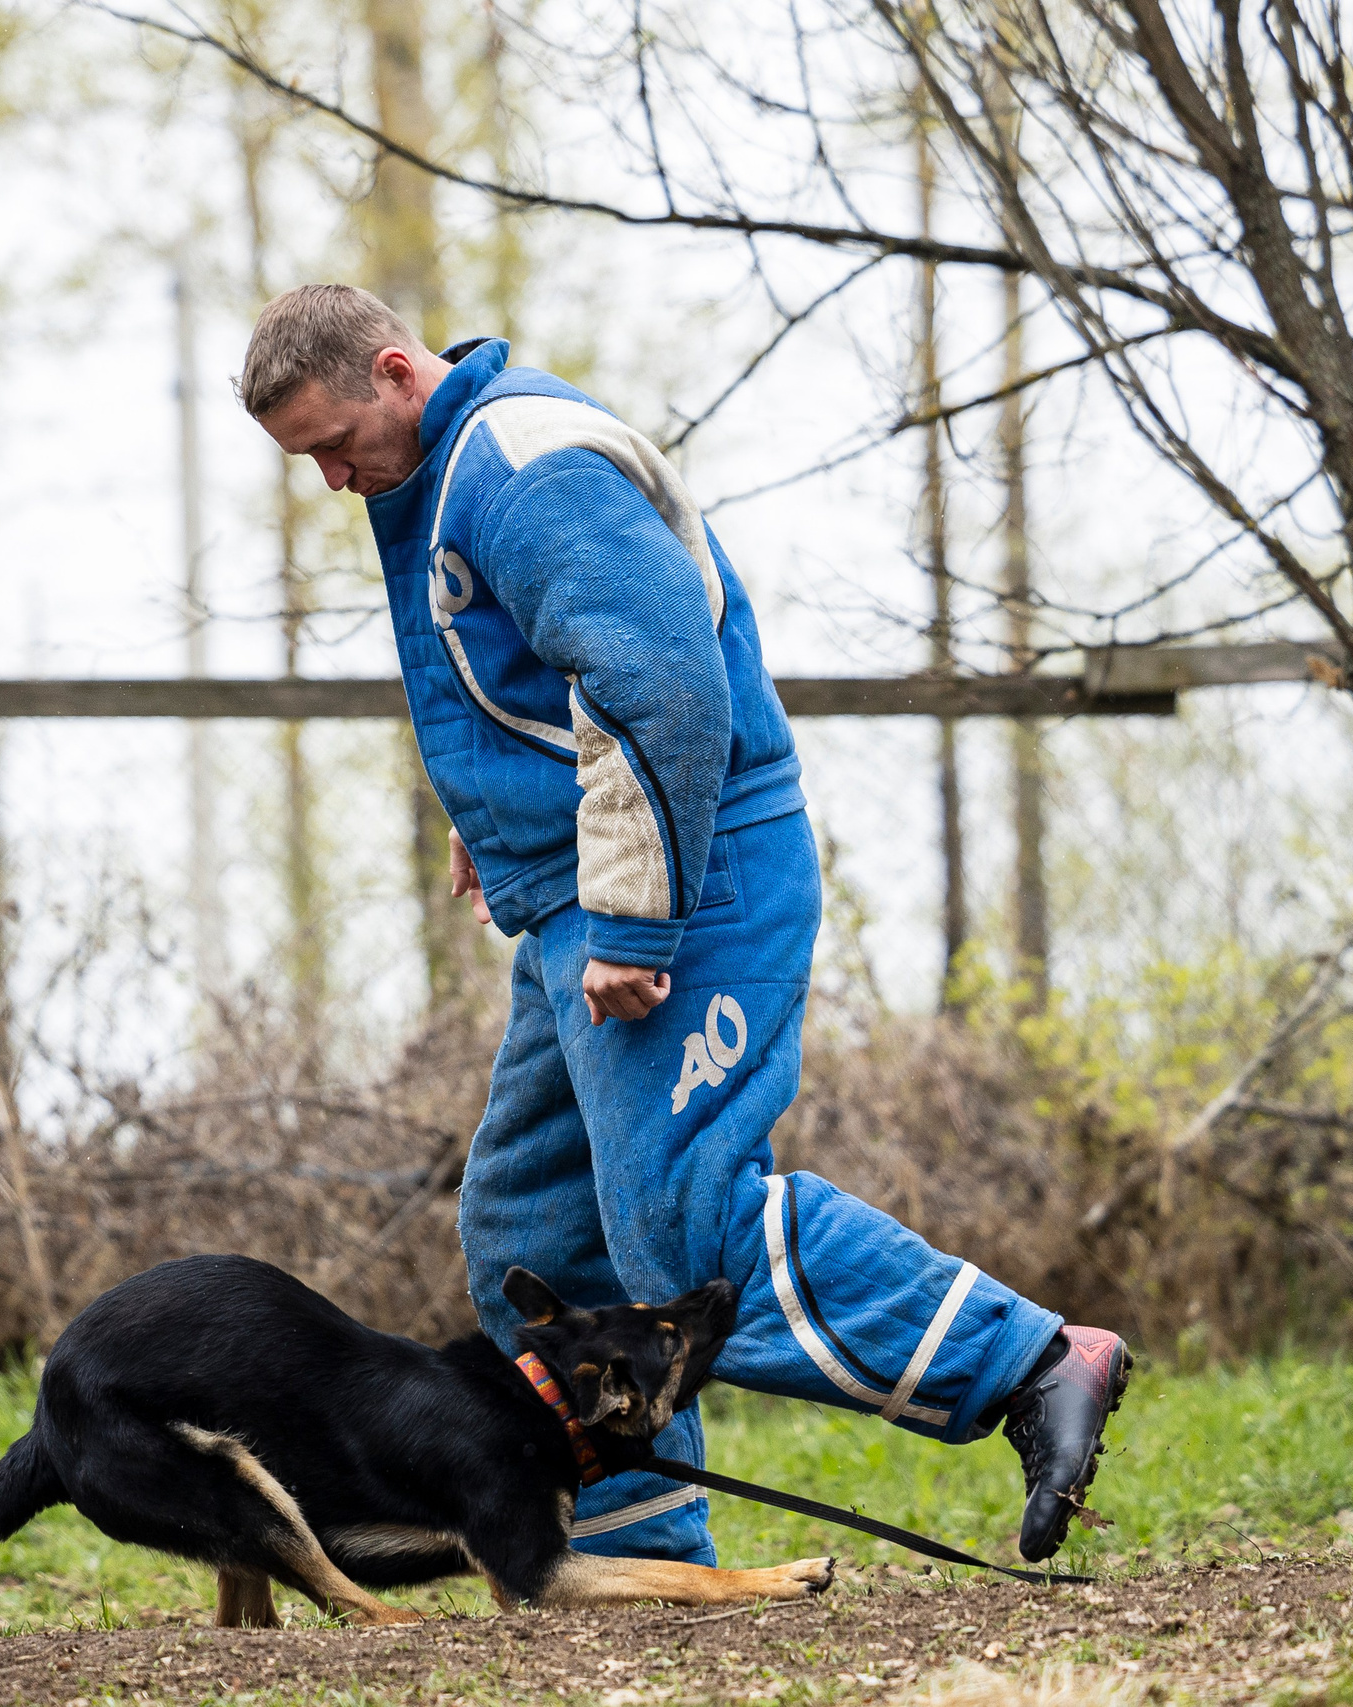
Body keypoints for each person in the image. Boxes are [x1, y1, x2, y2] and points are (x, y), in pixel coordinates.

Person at [238, 283, 1129, 1567]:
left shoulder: (523, 468)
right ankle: (638, 1551)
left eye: (333, 443)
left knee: (687, 1223)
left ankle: (1032, 1360)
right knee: (538, 1236)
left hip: (684, 885)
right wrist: (496, 811)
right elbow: (543, 679)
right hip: (577, 896)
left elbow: (664, 692)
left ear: (393, 370)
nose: (330, 478)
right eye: (307, 461)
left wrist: (638, 929)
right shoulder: (447, 472)